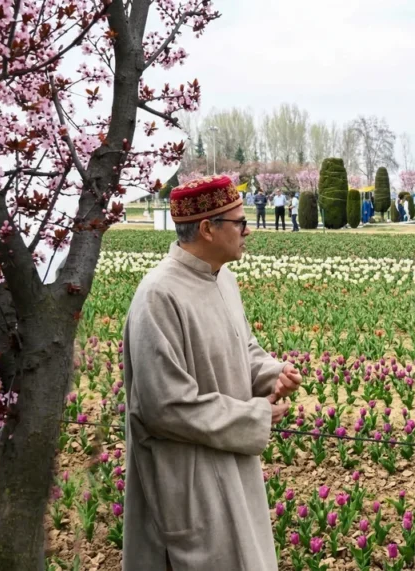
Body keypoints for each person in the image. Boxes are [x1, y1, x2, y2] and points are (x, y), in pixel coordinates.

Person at [122, 174, 302, 571]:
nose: (248, 230)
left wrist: (272, 373)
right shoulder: (159, 295)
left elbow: (242, 349)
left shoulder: (223, 278)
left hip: (232, 464)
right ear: (207, 228)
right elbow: (164, 406)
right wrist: (254, 416)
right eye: (239, 222)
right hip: (189, 478)